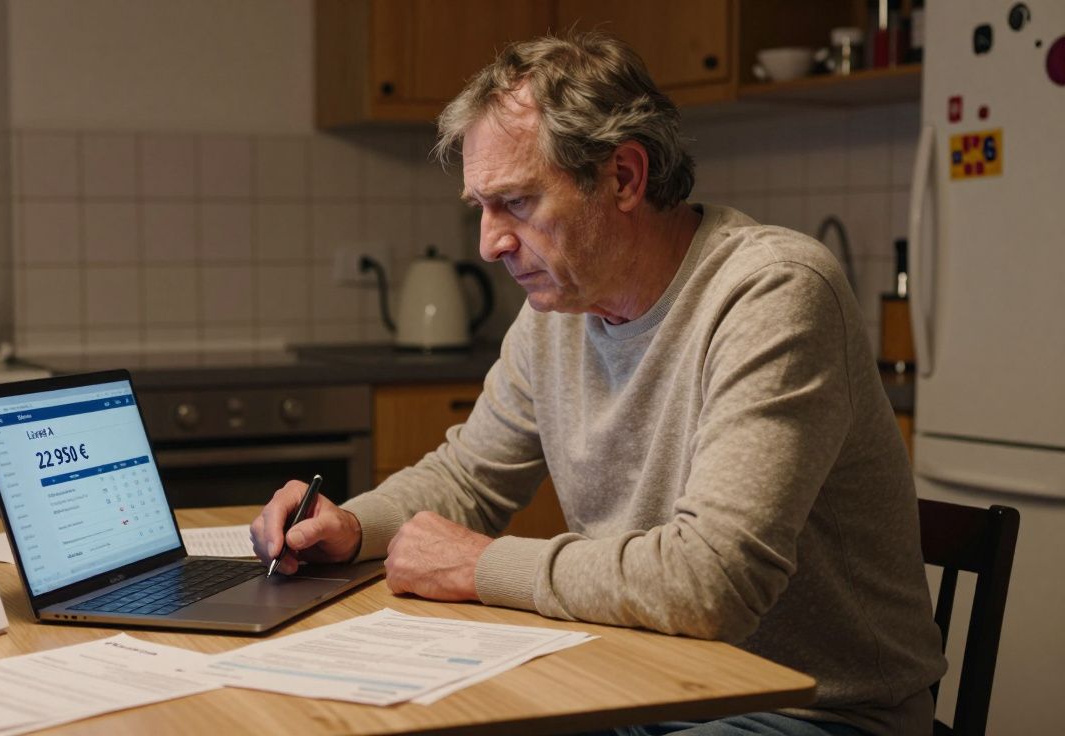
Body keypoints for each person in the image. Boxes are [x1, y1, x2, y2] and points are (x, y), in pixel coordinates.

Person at [251, 32, 945, 735]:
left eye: (516, 203)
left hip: (812, 709)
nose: (489, 243)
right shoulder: (558, 312)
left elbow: (712, 586)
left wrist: (481, 563)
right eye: (480, 208)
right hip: (642, 681)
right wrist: (350, 525)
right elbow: (468, 479)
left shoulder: (773, 294)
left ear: (623, 178)